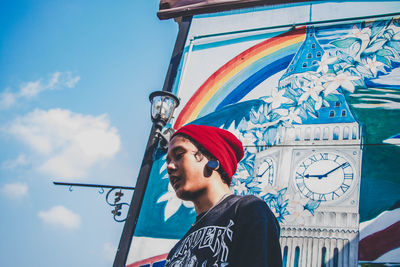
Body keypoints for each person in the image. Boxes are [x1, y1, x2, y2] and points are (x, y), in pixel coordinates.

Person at [164, 124, 282, 267]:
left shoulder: (248, 210)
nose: (169, 167)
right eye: (168, 161)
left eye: (179, 155)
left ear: (213, 160)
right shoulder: (176, 251)